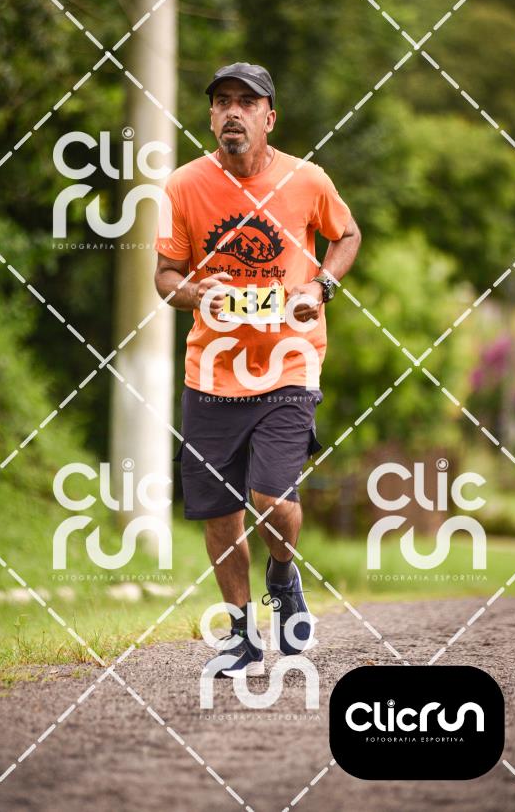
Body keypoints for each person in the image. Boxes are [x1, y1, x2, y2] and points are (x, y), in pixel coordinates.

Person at [154, 62, 361, 674]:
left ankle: (283, 574)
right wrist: (198, 293)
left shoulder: (307, 179)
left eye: (246, 103)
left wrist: (320, 286)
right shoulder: (183, 186)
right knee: (220, 513)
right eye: (222, 101)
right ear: (210, 116)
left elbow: (347, 234)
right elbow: (165, 278)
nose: (233, 112)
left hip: (290, 363)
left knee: (271, 495)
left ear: (270, 117)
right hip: (213, 370)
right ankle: (243, 636)